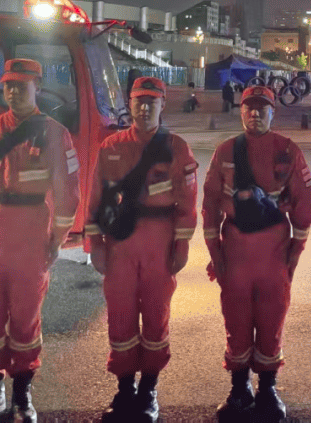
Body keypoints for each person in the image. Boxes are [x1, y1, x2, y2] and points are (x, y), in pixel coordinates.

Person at [0, 59, 80, 423]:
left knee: (25, 320)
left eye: (21, 86)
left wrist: (57, 239)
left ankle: (23, 396)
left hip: (30, 242)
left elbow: (68, 193)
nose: (13, 91)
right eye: (8, 85)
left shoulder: (55, 134)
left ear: (36, 87)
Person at [85, 77, 198, 423]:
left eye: (152, 102)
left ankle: (149, 390)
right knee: (120, 315)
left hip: (159, 242)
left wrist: (181, 246)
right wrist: (95, 246)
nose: (145, 108)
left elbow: (187, 204)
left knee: (155, 314)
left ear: (163, 105)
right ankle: (124, 389)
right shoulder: (111, 147)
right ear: (130, 104)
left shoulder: (177, 148)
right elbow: (96, 201)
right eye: (139, 101)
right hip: (120, 244)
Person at [202, 85, 311, 422]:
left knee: (271, 318)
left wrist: (295, 253)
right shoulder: (225, 151)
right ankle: (239, 389)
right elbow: (210, 203)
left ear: (272, 113)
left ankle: (267, 388)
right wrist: (215, 253)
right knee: (236, 318)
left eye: (262, 108)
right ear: (241, 112)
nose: (255, 114)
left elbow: (304, 205)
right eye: (249, 108)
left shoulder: (288, 150)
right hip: (236, 247)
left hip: (273, 248)